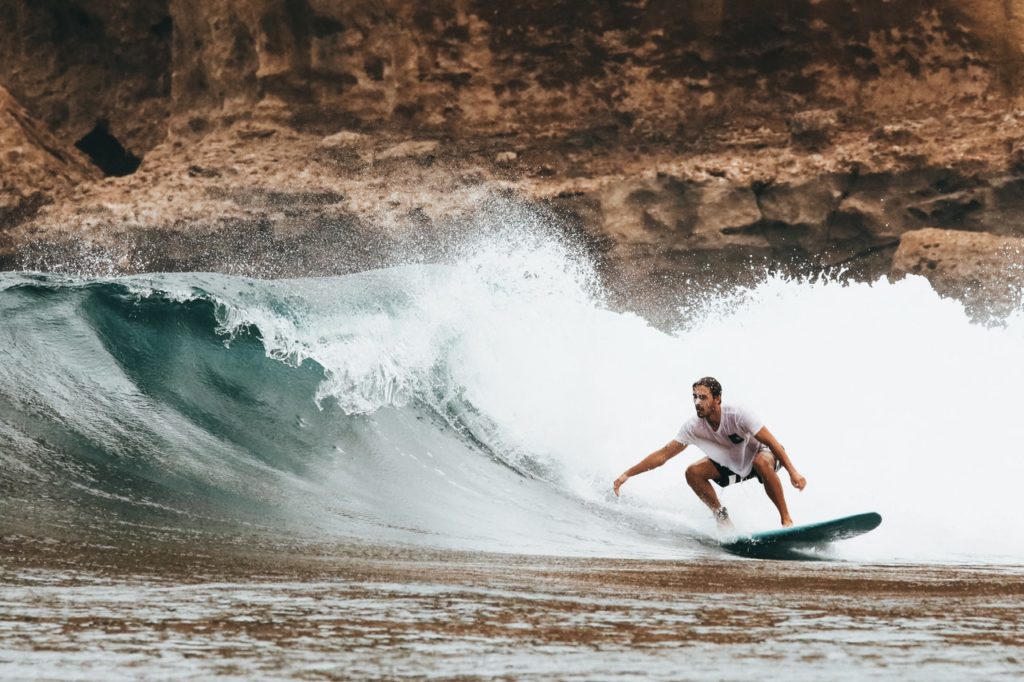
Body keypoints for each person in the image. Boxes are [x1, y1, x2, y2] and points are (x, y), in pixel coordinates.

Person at [613, 376, 806, 528]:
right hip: (736, 465)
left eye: (703, 397)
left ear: (717, 398)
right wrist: (627, 474)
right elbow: (663, 455)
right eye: (695, 397)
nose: (697, 402)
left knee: (761, 462)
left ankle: (786, 520)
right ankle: (722, 518)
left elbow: (773, 443)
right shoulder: (693, 426)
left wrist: (793, 472)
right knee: (693, 472)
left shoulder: (738, 414)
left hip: (763, 454)